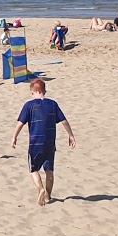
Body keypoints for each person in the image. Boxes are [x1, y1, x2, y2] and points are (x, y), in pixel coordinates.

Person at [12, 78, 75, 206]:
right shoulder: (53, 104)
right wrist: (71, 135)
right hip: (49, 143)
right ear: (44, 91)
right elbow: (64, 121)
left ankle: (40, 189)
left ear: (33, 92)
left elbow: (20, 124)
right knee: (49, 170)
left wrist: (14, 137)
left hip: (35, 143)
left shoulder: (29, 105)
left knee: (33, 169)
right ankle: (48, 196)